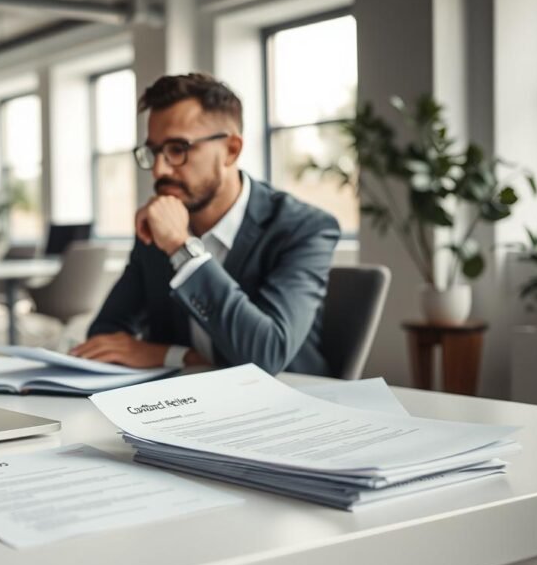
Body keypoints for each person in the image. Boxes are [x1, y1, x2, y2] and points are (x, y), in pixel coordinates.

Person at [70, 73, 340, 376]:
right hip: (186, 403)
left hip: (287, 402)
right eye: (154, 152)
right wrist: (183, 357)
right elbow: (105, 338)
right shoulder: (160, 224)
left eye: (177, 149)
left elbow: (267, 354)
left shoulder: (303, 228)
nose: (159, 169)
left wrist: (180, 247)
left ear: (231, 150)